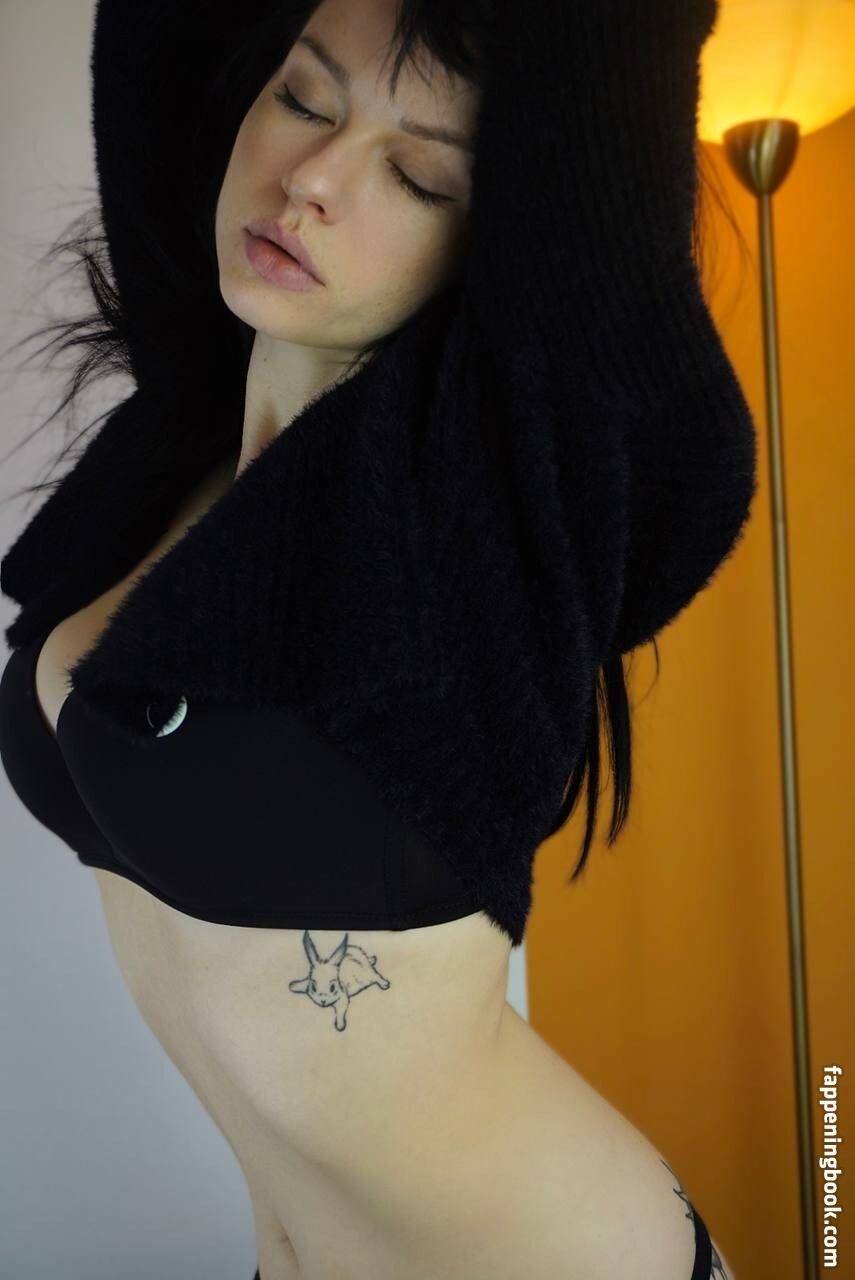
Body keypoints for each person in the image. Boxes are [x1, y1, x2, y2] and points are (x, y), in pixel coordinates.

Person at [0, 0, 754, 1274]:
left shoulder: (487, 535)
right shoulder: (174, 457)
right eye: (302, 99)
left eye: (416, 176)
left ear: (495, 239)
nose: (311, 180)